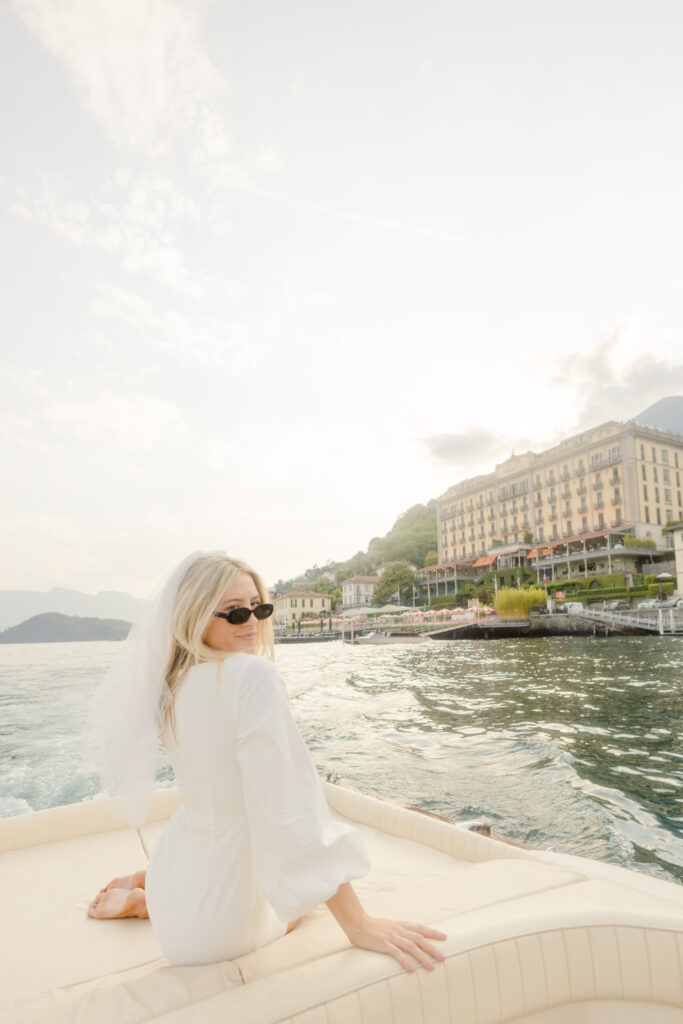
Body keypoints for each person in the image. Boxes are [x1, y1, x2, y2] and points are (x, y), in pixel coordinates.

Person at [88, 552, 446, 973]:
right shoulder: (251, 677)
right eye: (236, 613)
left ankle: (150, 895)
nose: (253, 622)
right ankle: (144, 898)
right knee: (304, 906)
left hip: (178, 877)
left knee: (288, 883)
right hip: (220, 928)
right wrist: (359, 924)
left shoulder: (170, 684)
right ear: (195, 617)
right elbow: (289, 810)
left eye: (259, 608)